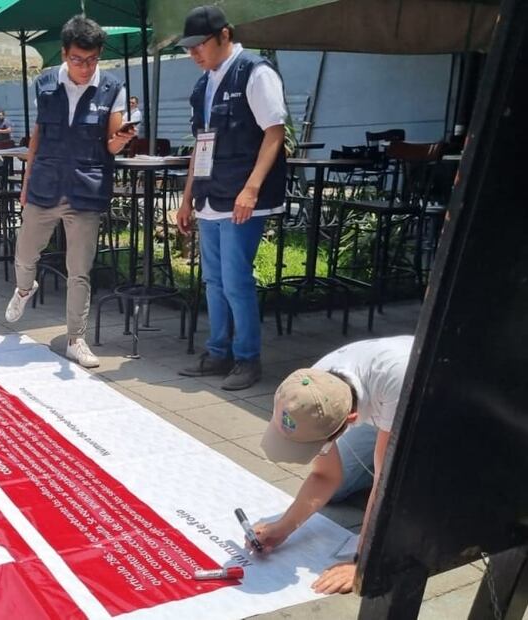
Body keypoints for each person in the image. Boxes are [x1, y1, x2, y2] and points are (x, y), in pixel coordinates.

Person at [5, 15, 136, 368]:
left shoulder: (112, 88)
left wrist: (121, 139)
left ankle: (76, 339)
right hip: (45, 183)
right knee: (25, 252)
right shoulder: (45, 84)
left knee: (79, 269)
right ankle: (23, 289)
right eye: (77, 59)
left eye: (92, 60)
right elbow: (37, 138)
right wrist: (26, 182)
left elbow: (110, 144)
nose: (84, 67)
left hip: (86, 189)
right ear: (64, 54)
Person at [174, 6, 288, 390]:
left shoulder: (255, 72)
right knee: (214, 279)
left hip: (243, 195)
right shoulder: (202, 86)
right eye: (188, 48)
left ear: (225, 35)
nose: (194, 54)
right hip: (210, 194)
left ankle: (246, 358)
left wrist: (252, 188)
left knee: (236, 279)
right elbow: (199, 147)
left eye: (199, 45)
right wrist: (187, 198)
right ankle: (218, 352)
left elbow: (275, 133)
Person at [252, 335, 413, 594]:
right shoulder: (309, 388)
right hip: (383, 402)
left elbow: (386, 486)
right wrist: (284, 526)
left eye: (315, 443)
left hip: (435, 401)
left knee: (398, 479)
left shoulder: (400, 383)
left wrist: (363, 564)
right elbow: (326, 476)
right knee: (337, 488)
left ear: (349, 420)